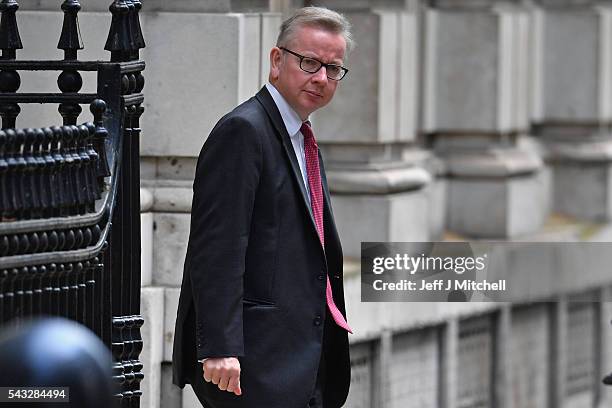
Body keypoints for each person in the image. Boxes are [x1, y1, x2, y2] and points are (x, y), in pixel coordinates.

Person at [172, 6, 354, 408]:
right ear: (277, 61)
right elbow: (217, 249)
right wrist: (219, 347)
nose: (321, 78)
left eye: (333, 68)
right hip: (253, 367)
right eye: (309, 62)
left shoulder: (302, 138)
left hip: (302, 362)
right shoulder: (243, 131)